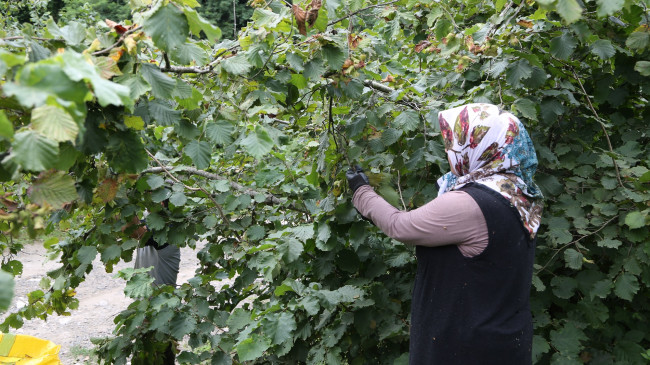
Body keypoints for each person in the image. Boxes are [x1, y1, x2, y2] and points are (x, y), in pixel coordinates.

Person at [346, 103, 543, 364]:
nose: (450, 150)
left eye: (455, 141)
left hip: (463, 348)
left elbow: (400, 226)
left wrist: (361, 192)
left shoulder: (470, 203)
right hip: (502, 342)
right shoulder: (516, 192)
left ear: (480, 144)